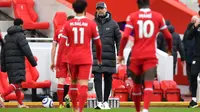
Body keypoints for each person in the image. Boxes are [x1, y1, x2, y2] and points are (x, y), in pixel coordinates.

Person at [117, 0, 172, 112]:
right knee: (148, 83)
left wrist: (121, 54)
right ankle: (145, 109)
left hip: (136, 55)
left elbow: (125, 36)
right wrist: (169, 49)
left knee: (137, 85)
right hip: (150, 55)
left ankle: (138, 110)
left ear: (137, 4)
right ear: (149, 3)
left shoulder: (132, 17)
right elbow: (169, 36)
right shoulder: (158, 16)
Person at [57, 0, 102, 112]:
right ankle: (80, 110)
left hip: (71, 58)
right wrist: (100, 58)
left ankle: (74, 108)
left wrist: (58, 61)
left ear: (73, 9)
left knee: (73, 82)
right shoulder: (91, 23)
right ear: (85, 9)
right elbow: (98, 44)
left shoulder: (67, 24)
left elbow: (61, 45)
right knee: (83, 85)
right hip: (85, 58)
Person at [0, 18, 37, 108]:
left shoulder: (7, 36)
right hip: (17, 62)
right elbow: (26, 49)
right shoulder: (20, 35)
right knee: (16, 83)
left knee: (16, 83)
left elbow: (3, 50)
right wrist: (33, 62)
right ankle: (2, 96)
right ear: (21, 25)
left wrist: (3, 64)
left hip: (9, 63)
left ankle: (20, 103)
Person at [92, 2, 121, 110]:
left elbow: (119, 40)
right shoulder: (92, 23)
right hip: (96, 56)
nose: (100, 10)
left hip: (110, 56)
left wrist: (119, 54)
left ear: (106, 9)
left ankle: (106, 101)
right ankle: (99, 102)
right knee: (97, 78)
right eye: (98, 9)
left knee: (108, 79)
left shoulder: (114, 24)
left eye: (101, 8)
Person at [50, 15, 74, 109]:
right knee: (74, 79)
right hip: (72, 57)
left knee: (61, 80)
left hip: (61, 58)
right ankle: (68, 95)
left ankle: (60, 104)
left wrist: (52, 61)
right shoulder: (75, 30)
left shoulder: (58, 30)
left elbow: (54, 47)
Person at [186, 15, 200, 108]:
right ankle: (194, 99)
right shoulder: (196, 26)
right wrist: (195, 26)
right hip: (197, 55)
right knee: (193, 74)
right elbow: (188, 36)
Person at [182, 16, 197, 94]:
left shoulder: (188, 31)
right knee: (191, 75)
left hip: (194, 57)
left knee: (192, 75)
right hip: (190, 56)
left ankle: (192, 90)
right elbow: (184, 43)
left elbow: (183, 43)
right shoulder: (188, 31)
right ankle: (191, 90)